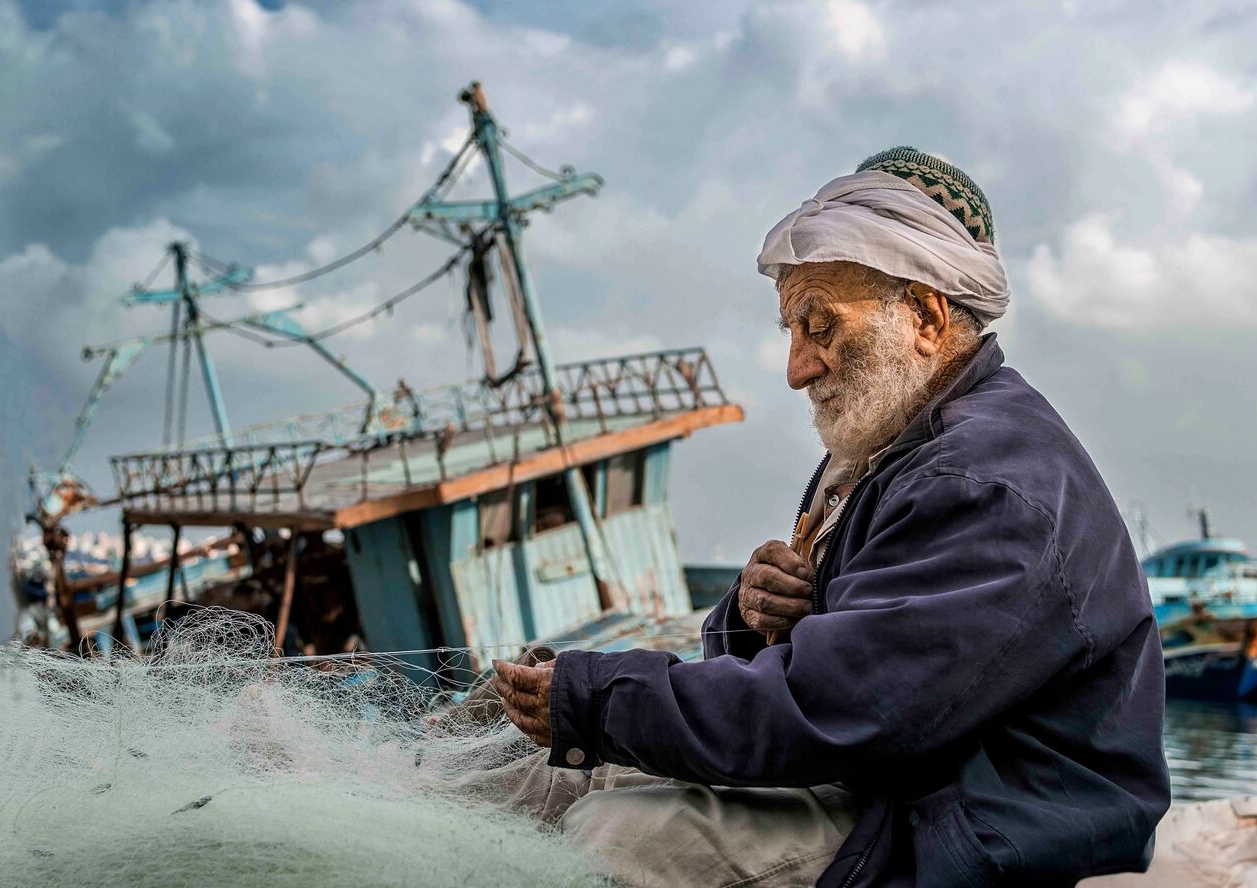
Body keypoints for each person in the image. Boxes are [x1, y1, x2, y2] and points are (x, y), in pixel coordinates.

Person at [490, 146, 1171, 887]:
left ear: (926, 317)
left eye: (820, 327)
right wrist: (754, 618)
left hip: (968, 831)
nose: (795, 369)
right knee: (543, 778)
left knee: (623, 833)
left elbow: (832, 709)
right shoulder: (896, 448)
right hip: (890, 785)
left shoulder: (985, 482)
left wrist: (595, 700)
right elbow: (828, 670)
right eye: (792, 331)